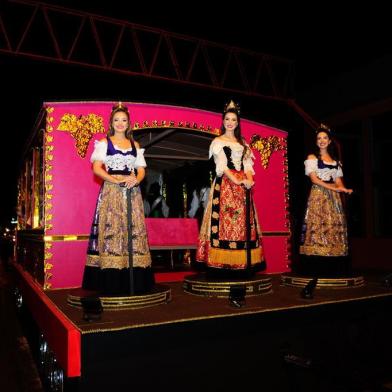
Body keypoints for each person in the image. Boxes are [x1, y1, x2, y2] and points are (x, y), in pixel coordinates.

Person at [82, 103, 154, 296]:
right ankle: (113, 282)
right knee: (112, 230)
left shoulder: (135, 145)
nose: (120, 123)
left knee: (134, 230)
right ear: (111, 123)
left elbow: (141, 170)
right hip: (112, 191)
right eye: (117, 120)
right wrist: (115, 180)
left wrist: (135, 180)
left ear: (128, 123)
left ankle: (135, 281)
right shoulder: (104, 143)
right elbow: (97, 169)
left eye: (124, 120)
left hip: (132, 192)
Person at [196, 100, 265, 278]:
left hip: (243, 187)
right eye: (227, 119)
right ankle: (222, 265)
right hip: (226, 186)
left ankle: (244, 264)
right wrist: (238, 180)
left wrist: (249, 180)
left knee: (243, 224)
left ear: (237, 122)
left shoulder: (243, 143)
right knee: (225, 223)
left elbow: (248, 166)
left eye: (233, 119)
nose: (230, 122)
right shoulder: (218, 141)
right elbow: (222, 166)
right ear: (223, 120)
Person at [299, 126, 353, 277]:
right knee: (318, 227)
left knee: (333, 228)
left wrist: (343, 189)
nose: (322, 141)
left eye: (325, 138)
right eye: (319, 138)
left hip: (333, 198)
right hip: (318, 195)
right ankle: (316, 265)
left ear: (329, 141)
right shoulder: (312, 158)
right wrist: (333, 188)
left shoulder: (336, 161)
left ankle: (333, 265)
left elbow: (338, 181)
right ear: (316, 142)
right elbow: (314, 179)